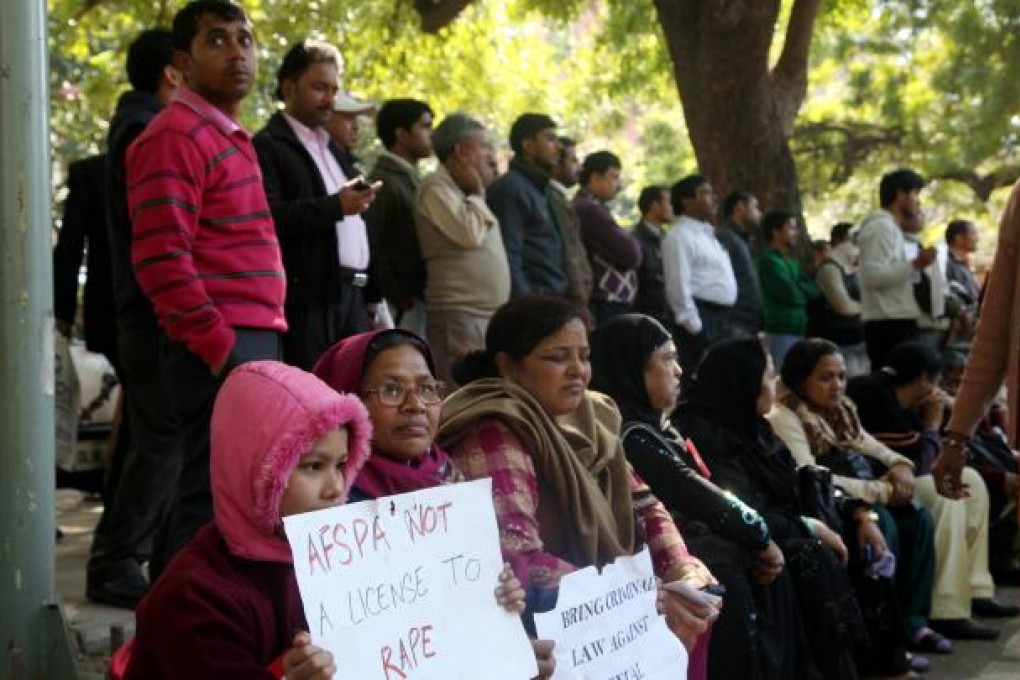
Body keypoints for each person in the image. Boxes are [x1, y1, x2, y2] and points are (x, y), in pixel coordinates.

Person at [437, 296, 720, 668]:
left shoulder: (593, 416)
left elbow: (645, 504)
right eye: (557, 358)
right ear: (508, 366)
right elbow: (518, 557)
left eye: (583, 357)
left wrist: (681, 569)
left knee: (699, 598)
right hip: (540, 617)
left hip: (608, 599)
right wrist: (636, 596)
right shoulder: (495, 428)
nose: (577, 371)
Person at [127, 0, 287, 568]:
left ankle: (206, 634)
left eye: (244, 38)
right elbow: (159, 259)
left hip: (253, 337)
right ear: (181, 64)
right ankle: (176, 645)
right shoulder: (174, 134)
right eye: (217, 40)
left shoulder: (227, 134)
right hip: (222, 344)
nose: (237, 52)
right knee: (208, 499)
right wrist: (218, 347)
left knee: (237, 498)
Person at [591, 316, 835, 680]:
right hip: (659, 563)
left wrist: (758, 538)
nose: (678, 370)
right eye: (666, 359)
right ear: (631, 368)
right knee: (730, 564)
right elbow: (694, 492)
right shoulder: (629, 435)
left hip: (702, 549)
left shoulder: (661, 429)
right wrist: (759, 536)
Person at [312, 329, 556, 677]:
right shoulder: (329, 505)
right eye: (392, 390)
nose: (415, 406)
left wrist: (504, 616)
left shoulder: (448, 480)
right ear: (346, 400)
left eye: (427, 389)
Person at [124, 361, 373, 678]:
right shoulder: (196, 598)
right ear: (255, 469)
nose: (336, 488)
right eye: (313, 466)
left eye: (340, 465)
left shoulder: (327, 562)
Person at [673, 336, 868, 680]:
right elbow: (740, 509)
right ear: (744, 382)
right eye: (767, 375)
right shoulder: (706, 430)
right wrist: (808, 526)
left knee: (850, 534)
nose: (774, 385)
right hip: (739, 544)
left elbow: (791, 483)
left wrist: (857, 511)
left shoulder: (753, 424)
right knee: (812, 555)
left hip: (767, 533)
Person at [767, 339, 949, 655]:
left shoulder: (841, 410)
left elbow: (868, 444)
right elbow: (810, 477)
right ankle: (882, 638)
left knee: (918, 517)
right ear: (800, 379)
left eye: (841, 376)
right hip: (821, 503)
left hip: (853, 491)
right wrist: (881, 491)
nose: (837, 386)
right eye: (826, 378)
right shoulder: (785, 414)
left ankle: (914, 622)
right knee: (885, 522)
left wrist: (900, 465)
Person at [86, 28, 181, 607]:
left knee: (156, 439)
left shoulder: (135, 124)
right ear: (175, 69)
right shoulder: (148, 128)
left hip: (144, 312)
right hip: (153, 314)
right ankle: (118, 560)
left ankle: (138, 558)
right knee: (164, 442)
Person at [847, 342, 1016, 634]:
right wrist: (934, 424)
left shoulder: (905, 401)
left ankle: (975, 589)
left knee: (971, 482)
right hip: (875, 487)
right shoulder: (874, 395)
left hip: (902, 480)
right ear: (925, 380)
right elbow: (927, 465)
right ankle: (946, 609)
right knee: (943, 491)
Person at [253, 39, 381, 370]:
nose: (329, 99)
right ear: (289, 87)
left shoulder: (333, 148)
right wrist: (336, 206)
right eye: (320, 87)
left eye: (334, 89)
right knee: (313, 398)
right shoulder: (269, 146)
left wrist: (372, 294)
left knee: (351, 394)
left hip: (352, 296)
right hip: (310, 298)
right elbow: (271, 217)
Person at [412, 113, 509, 383]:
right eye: (484, 147)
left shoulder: (463, 190)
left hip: (482, 316)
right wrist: (477, 193)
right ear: (460, 151)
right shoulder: (436, 187)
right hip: (458, 316)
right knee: (460, 396)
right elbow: (468, 234)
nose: (490, 156)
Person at [364, 98, 434, 336]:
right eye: (424, 127)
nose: (431, 134)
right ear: (402, 134)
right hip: (400, 305)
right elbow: (371, 241)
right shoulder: (384, 182)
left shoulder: (411, 179)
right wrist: (396, 292)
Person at [856, 168, 936, 367]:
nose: (918, 201)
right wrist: (915, 264)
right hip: (887, 324)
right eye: (915, 194)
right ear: (901, 194)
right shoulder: (880, 227)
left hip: (898, 321)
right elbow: (872, 277)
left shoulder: (893, 229)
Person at [486, 113, 569, 298]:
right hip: (533, 302)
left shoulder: (541, 188)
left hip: (552, 297)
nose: (559, 147)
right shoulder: (511, 188)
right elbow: (509, 255)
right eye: (550, 139)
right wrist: (526, 306)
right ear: (528, 146)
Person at [662, 174, 738, 375]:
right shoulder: (679, 236)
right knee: (704, 381)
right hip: (703, 319)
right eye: (705, 193)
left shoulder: (707, 234)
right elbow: (677, 286)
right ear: (687, 201)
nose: (714, 198)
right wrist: (696, 328)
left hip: (723, 320)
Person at [573, 151, 642, 325]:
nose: (618, 184)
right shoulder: (589, 209)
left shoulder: (594, 207)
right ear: (595, 178)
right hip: (604, 303)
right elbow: (632, 254)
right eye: (614, 177)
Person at [757, 211, 819, 367]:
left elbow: (814, 290)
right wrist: (801, 289)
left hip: (799, 327)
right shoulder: (769, 261)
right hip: (780, 330)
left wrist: (800, 288)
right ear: (776, 232)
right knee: (783, 376)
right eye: (790, 228)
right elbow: (790, 294)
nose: (795, 233)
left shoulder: (792, 261)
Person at [812, 229, 868, 378]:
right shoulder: (829, 269)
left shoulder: (851, 269)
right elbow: (844, 306)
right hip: (839, 339)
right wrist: (869, 307)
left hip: (858, 335)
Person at [548, 135, 593, 313]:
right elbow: (569, 253)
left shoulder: (559, 197)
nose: (579, 168)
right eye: (573, 161)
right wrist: (580, 302)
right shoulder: (552, 198)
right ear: (557, 164)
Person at [717, 189, 763, 337]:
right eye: (755, 207)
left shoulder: (743, 239)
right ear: (740, 207)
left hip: (749, 322)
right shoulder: (726, 238)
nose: (759, 213)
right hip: (735, 322)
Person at [633, 185, 674, 327]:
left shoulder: (669, 238)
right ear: (655, 206)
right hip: (651, 319)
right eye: (669, 202)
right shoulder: (635, 241)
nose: (673, 208)